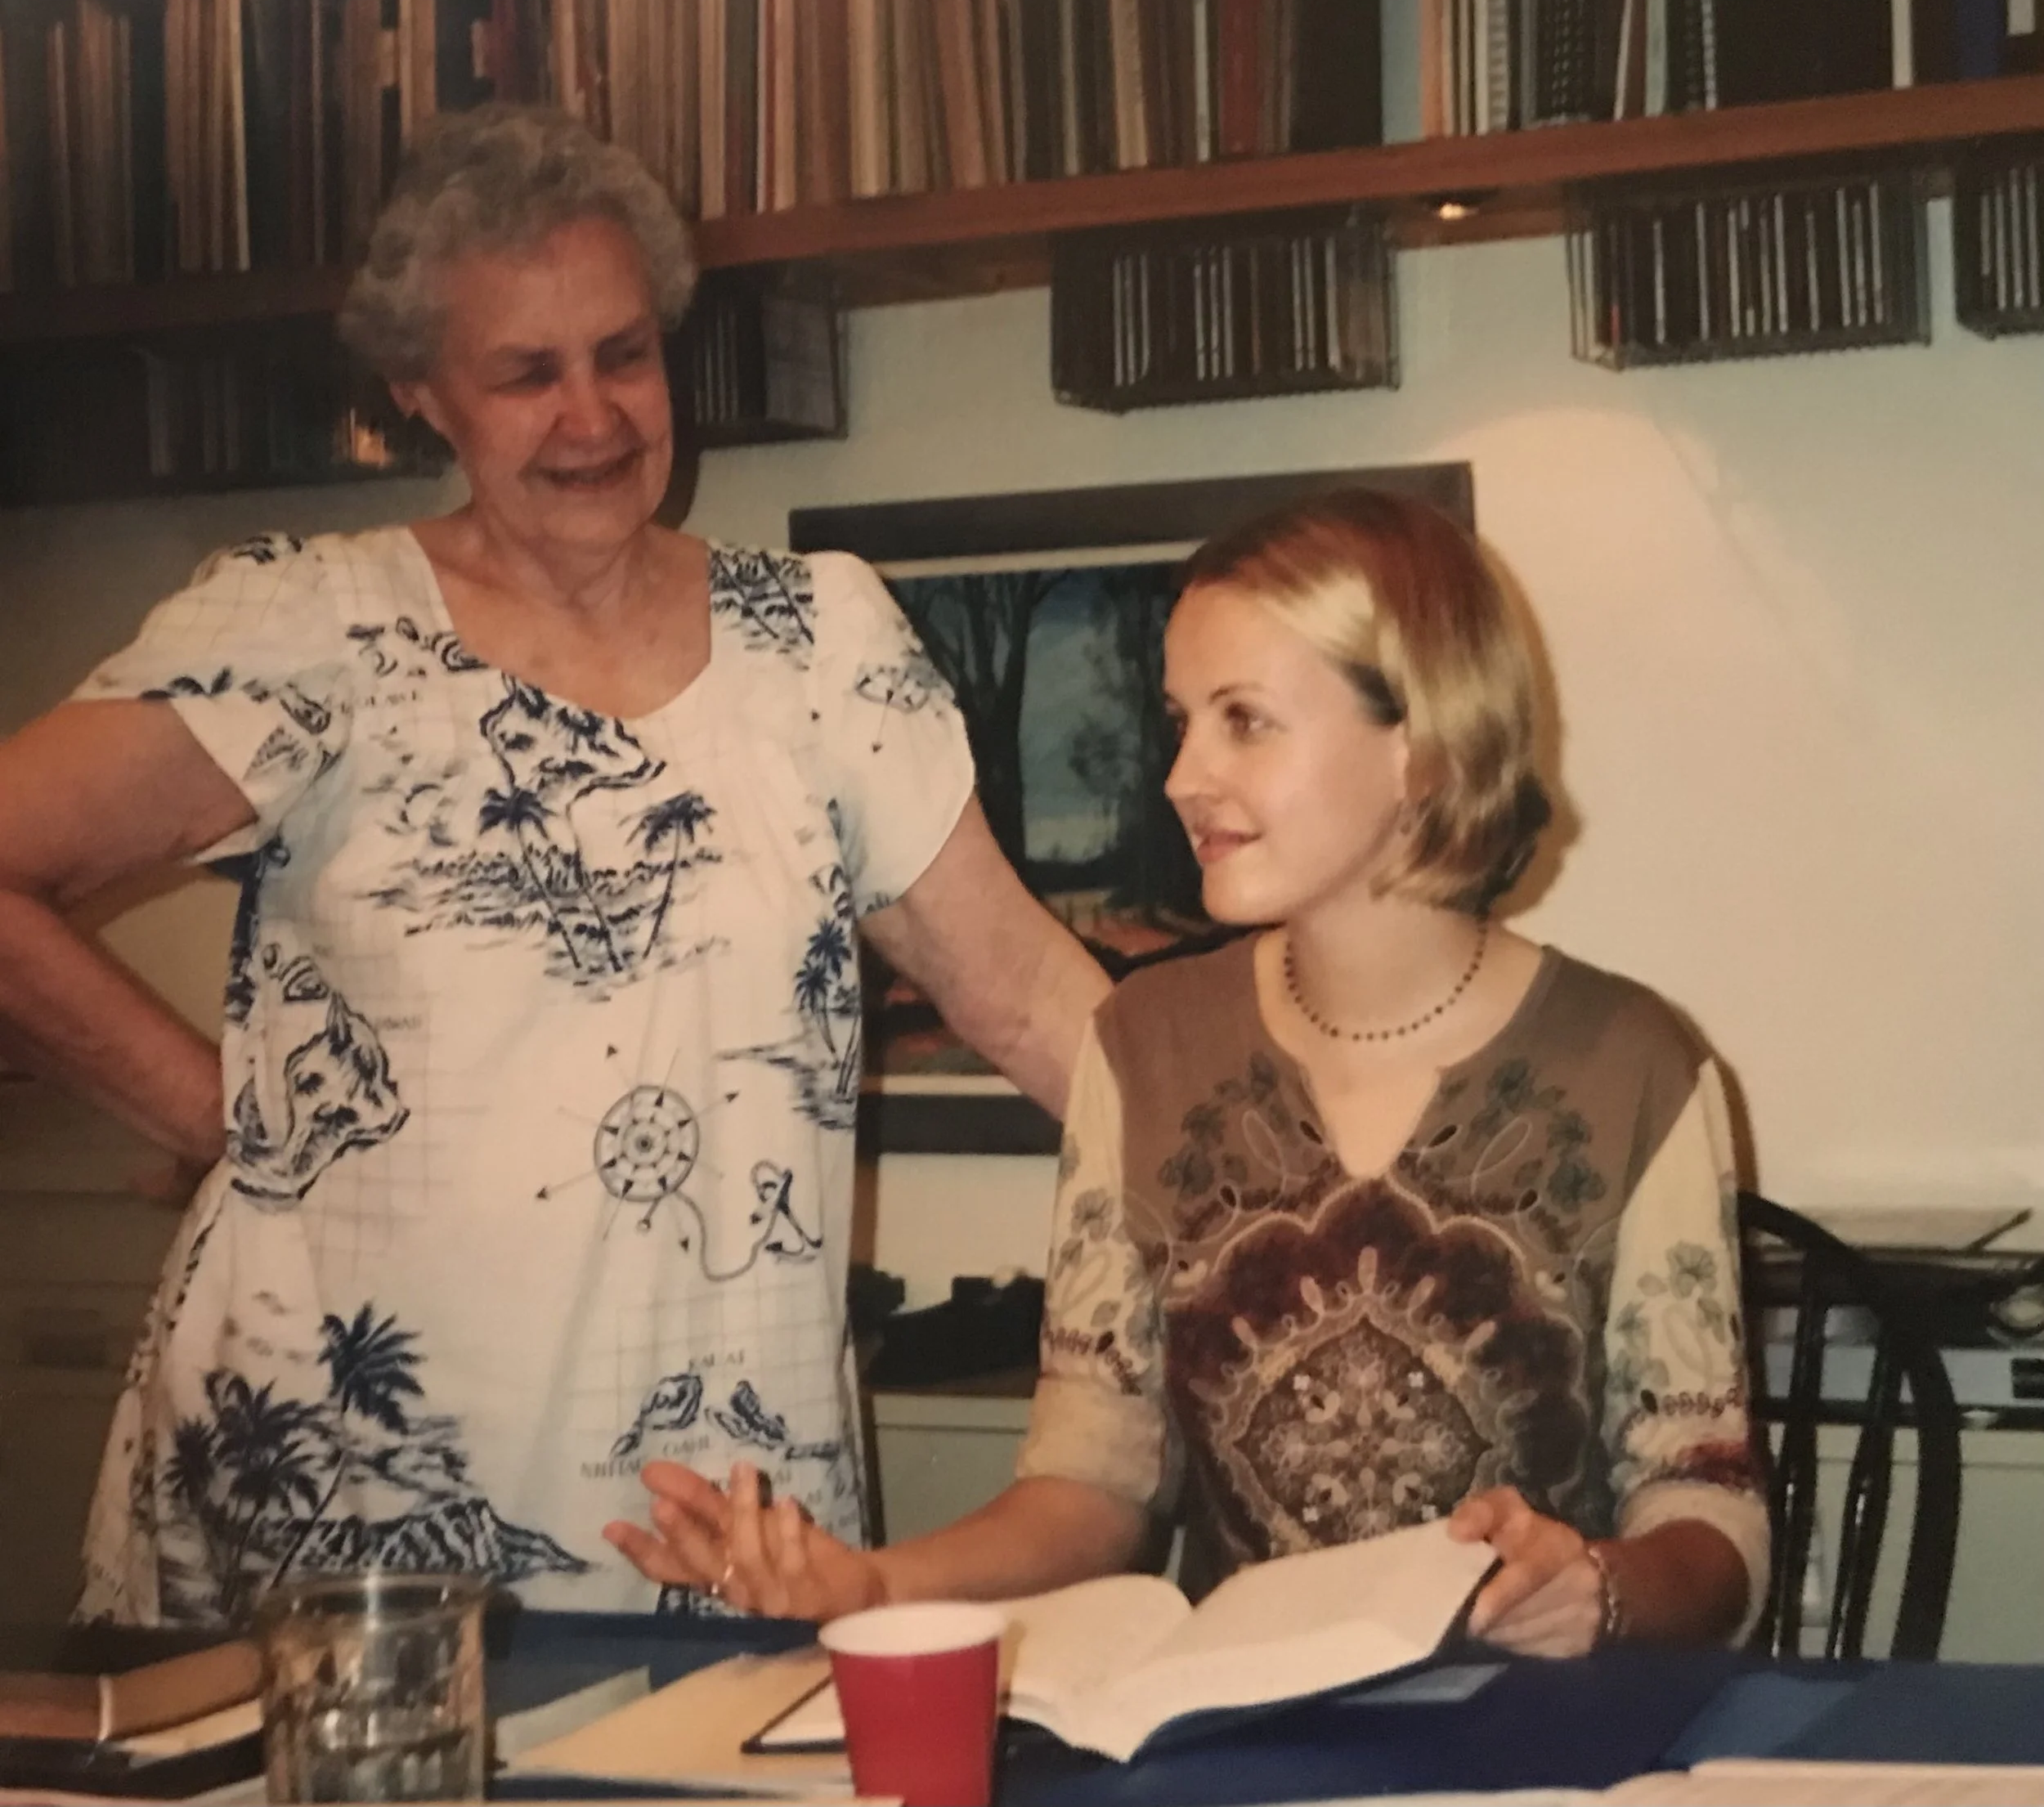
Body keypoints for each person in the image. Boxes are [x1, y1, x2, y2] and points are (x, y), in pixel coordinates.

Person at [0, 105, 1107, 1625]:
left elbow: (1030, 995)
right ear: (420, 394)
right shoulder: (315, 628)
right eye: (527, 374)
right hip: (344, 1494)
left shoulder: (819, 640)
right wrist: (221, 1117)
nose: (593, 416)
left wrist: (1302, 1153)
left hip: (721, 1501)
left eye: (623, 354)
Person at [610, 491, 1769, 1657]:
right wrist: (871, 1585)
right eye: (1181, 722)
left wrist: (1600, 1588)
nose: (1181, 776)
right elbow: (1092, 1488)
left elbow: (1710, 1513)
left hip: (1536, 1733)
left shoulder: (1635, 1065)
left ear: (1420, 746)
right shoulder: (1144, 1046)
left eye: (1245, 720)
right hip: (1240, 1727)